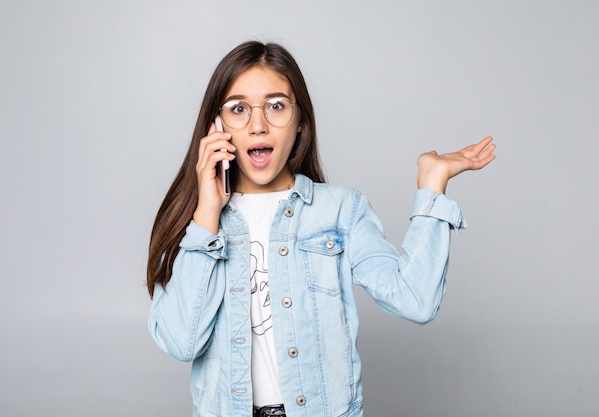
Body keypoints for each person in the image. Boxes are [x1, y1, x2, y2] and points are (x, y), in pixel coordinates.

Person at [147, 41, 496, 417]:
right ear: (216, 127)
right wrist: (206, 215)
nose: (258, 124)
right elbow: (180, 342)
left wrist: (432, 186)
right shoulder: (199, 224)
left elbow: (415, 299)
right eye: (239, 109)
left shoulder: (340, 210)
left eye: (277, 105)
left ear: (300, 122)